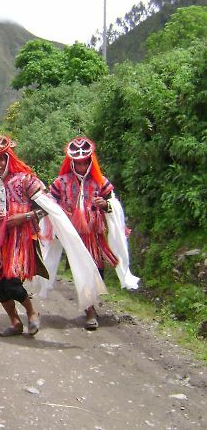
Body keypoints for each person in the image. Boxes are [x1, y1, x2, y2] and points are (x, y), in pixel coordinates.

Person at [49, 136, 139, 330]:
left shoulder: (101, 182)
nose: (81, 166)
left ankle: (91, 304)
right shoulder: (61, 182)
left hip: (95, 236)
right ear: (72, 163)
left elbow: (114, 204)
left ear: (90, 161)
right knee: (81, 270)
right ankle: (90, 311)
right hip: (74, 237)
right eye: (77, 163)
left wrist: (105, 205)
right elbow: (50, 203)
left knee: (97, 270)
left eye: (84, 162)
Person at [0, 135, 44, 336]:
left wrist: (24, 216)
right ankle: (15, 322)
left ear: (8, 157)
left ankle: (32, 313)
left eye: (1, 158)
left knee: (13, 280)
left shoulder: (25, 179)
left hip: (21, 239)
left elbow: (45, 208)